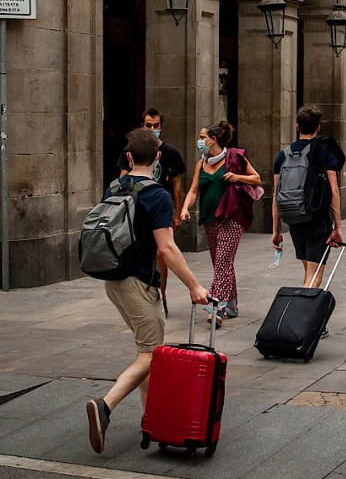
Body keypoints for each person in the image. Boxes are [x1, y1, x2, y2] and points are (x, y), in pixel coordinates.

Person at [86, 129, 210, 455]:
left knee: (147, 351)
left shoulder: (114, 187)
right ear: (158, 158)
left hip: (113, 281)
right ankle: (105, 406)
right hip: (139, 284)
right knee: (151, 355)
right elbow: (166, 248)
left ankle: (150, 421)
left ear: (128, 158)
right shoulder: (158, 195)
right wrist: (195, 286)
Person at [179, 121, 260, 324]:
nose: (199, 141)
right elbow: (194, 189)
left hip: (232, 216)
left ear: (212, 139)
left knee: (223, 261)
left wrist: (236, 176)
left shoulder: (235, 157)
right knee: (221, 262)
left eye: (202, 137)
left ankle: (216, 305)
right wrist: (184, 208)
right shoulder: (202, 163)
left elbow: (256, 178)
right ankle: (231, 304)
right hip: (210, 218)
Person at [117, 108, 187, 315]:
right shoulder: (131, 151)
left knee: (161, 253)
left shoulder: (170, 152)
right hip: (136, 206)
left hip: (159, 206)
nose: (152, 129)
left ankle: (160, 293)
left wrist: (177, 211)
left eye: (156, 126)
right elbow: (122, 177)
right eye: (149, 125)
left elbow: (177, 184)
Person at [271, 104, 346, 291]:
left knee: (309, 272)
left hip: (294, 219)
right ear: (318, 127)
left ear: (297, 127)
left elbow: (276, 195)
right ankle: (301, 315)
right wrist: (338, 226)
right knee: (314, 278)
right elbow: (334, 192)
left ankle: (305, 313)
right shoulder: (324, 152)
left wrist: (276, 230)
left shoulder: (283, 156)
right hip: (317, 220)